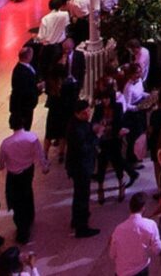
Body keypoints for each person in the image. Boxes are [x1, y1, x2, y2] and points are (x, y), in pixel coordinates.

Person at [0, 115, 47, 244]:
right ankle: (30, 216)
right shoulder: (32, 137)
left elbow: (0, 161)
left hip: (13, 174)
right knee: (27, 193)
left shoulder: (6, 142)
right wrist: (44, 166)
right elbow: (40, 154)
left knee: (16, 200)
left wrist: (2, 166)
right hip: (28, 170)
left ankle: (22, 228)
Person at [66, 100, 102, 238]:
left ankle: (76, 220)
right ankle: (82, 228)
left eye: (88, 111)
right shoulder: (76, 129)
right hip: (80, 167)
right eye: (84, 113)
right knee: (82, 196)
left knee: (79, 195)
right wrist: (97, 137)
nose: (87, 114)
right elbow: (84, 148)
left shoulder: (81, 123)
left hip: (81, 166)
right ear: (77, 114)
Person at [109, 192, 161, 276]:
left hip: (121, 272)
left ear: (130, 208)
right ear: (143, 208)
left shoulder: (118, 229)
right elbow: (157, 249)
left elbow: (112, 254)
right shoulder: (150, 225)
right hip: (141, 271)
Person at [10, 46, 42, 127]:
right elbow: (23, 89)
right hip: (22, 105)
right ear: (28, 56)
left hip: (28, 103)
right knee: (25, 125)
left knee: (28, 123)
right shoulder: (20, 71)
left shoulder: (28, 66)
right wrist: (37, 87)